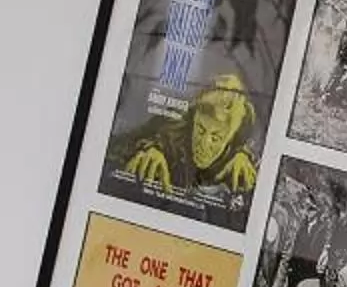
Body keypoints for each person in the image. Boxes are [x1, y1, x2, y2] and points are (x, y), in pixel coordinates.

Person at [111, 73, 259, 219]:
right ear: (193, 118)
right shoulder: (173, 125)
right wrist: (150, 148)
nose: (203, 143)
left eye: (216, 137)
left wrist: (245, 156)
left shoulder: (241, 157)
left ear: (231, 139)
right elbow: (122, 143)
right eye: (200, 129)